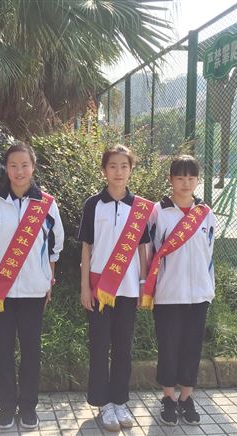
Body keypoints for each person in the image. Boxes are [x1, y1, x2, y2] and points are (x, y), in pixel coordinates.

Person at [0, 141, 64, 430]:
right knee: (2, 351)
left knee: (30, 351)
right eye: (13, 165)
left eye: (24, 165)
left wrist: (48, 280)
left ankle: (27, 407)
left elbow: (54, 247)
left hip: (33, 290)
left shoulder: (46, 204)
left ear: (33, 167)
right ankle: (6, 407)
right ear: (6, 168)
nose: (19, 171)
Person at [77, 145, 152, 432]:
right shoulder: (93, 204)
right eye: (113, 166)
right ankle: (103, 403)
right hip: (99, 287)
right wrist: (85, 287)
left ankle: (120, 401)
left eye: (124, 166)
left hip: (129, 288)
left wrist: (143, 285)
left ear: (131, 170)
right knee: (99, 346)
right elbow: (86, 248)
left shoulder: (140, 208)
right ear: (104, 170)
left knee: (123, 348)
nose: (118, 172)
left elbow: (143, 250)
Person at [144, 155, 216, 426]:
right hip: (168, 292)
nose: (186, 183)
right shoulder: (158, 212)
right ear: (170, 179)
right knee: (168, 345)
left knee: (192, 347)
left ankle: (187, 397)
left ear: (198, 180)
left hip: (199, 294)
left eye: (191, 177)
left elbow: (209, 252)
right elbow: (149, 253)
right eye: (180, 177)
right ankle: (168, 398)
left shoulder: (206, 213)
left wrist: (209, 287)